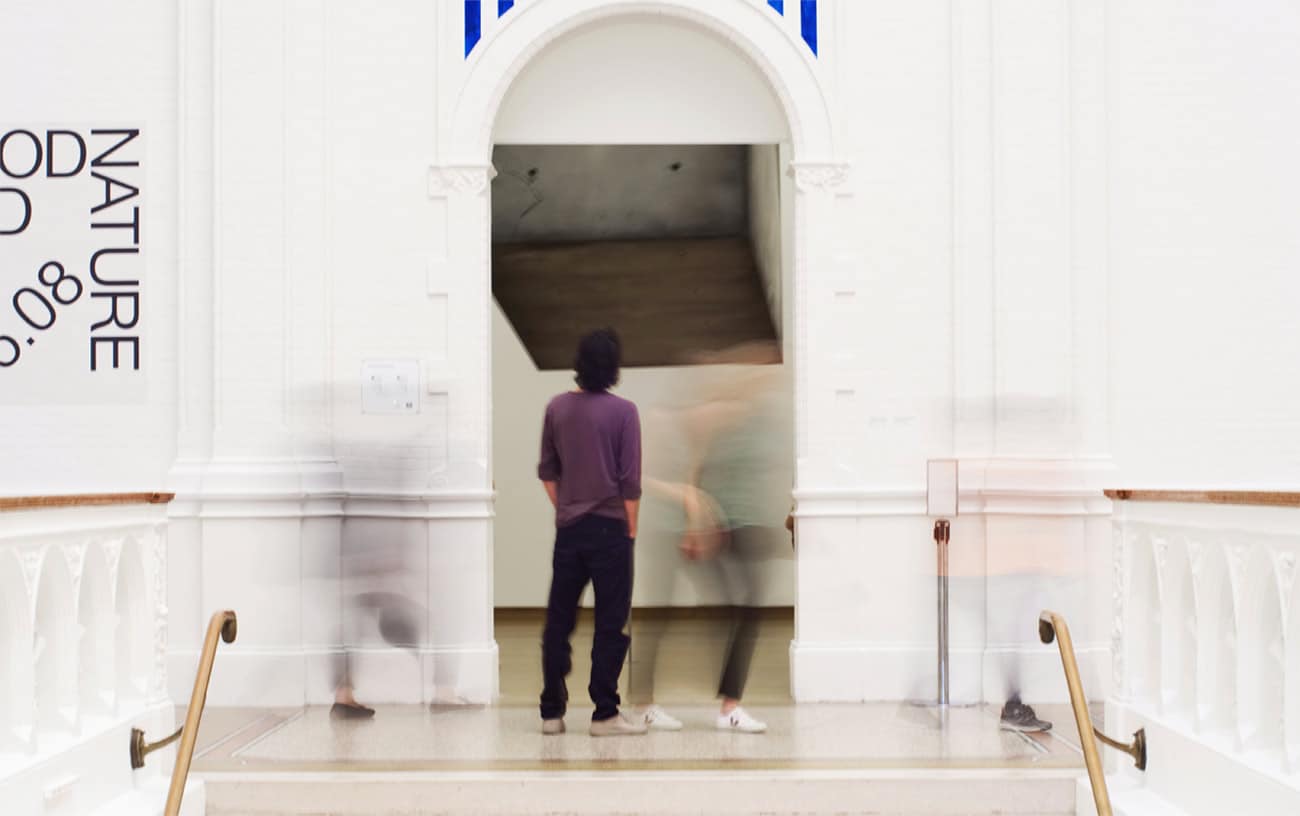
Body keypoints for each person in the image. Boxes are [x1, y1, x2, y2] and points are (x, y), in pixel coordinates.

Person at [537, 328, 647, 737]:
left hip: (569, 530)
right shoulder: (624, 412)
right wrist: (630, 530)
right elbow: (629, 482)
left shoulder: (557, 408)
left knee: (559, 620)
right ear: (614, 366)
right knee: (611, 622)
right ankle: (604, 713)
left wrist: (566, 508)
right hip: (612, 529)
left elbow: (547, 473)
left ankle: (551, 712)